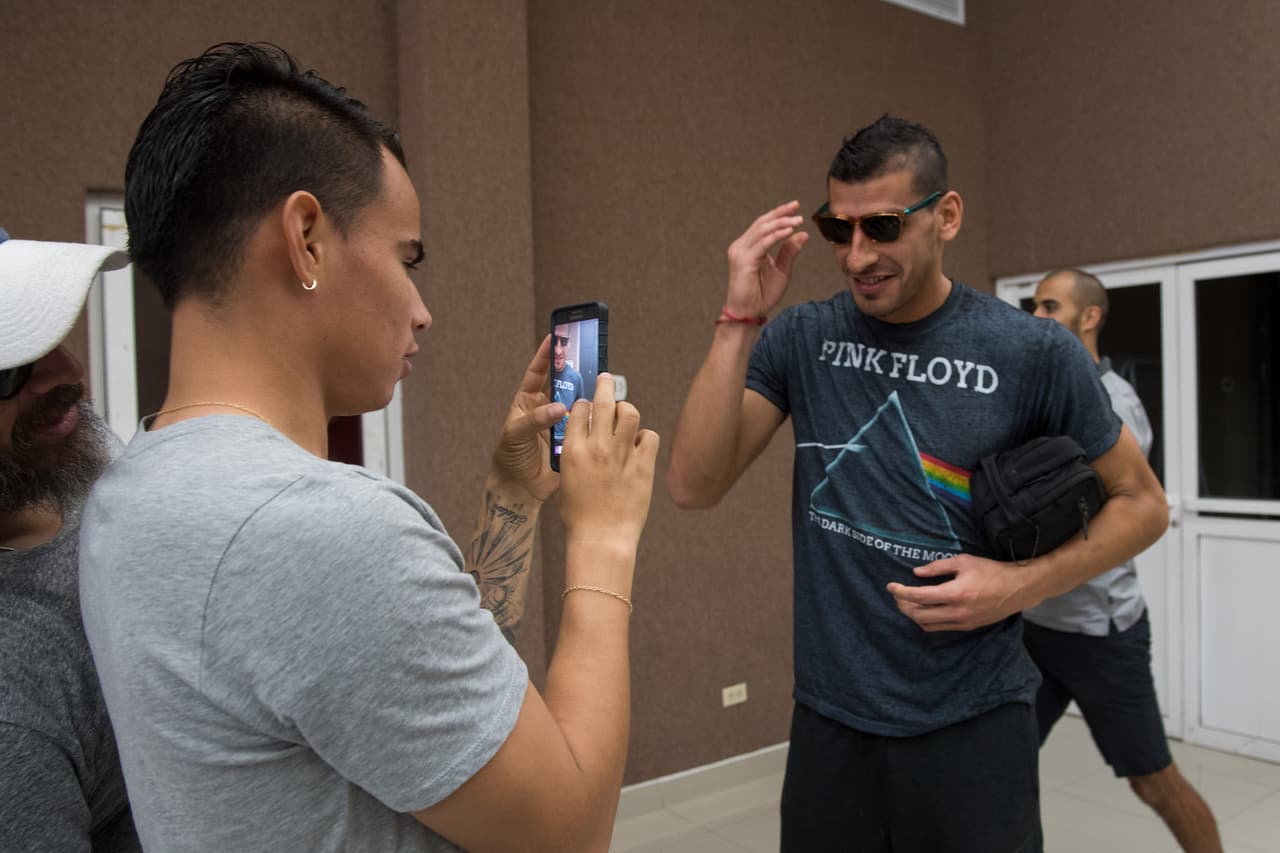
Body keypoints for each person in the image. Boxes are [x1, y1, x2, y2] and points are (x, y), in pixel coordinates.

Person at [77, 42, 659, 853]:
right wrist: (604, 535)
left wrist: (513, 498)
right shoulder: (326, 531)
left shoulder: (122, 489)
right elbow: (570, 831)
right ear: (307, 236)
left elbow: (429, 696)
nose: (421, 309)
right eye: (404, 257)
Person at [666, 116, 1168, 852]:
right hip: (829, 723)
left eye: (884, 227)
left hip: (973, 723)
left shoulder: (1032, 351)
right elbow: (693, 484)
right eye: (839, 231)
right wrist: (741, 315)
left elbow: (1144, 506)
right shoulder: (804, 338)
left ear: (947, 216)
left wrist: (1020, 583)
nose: (858, 256)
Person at [1029, 269, 1222, 852]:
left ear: (1089, 317)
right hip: (1035, 625)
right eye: (1033, 306)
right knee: (996, 767)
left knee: (1151, 780)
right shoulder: (1043, 393)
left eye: (1049, 306)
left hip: (1101, 633)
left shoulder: (1115, 405)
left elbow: (1129, 513)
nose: (1036, 317)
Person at [0, 229, 140, 851]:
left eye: (51, 332)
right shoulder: (14, 698)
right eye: (10, 368)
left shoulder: (60, 447)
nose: (69, 374)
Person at [552, 322, 586, 444]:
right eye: (554, 341)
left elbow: (580, 414)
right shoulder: (541, 375)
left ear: (570, 343)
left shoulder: (576, 378)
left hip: (566, 445)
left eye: (564, 341)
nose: (558, 350)